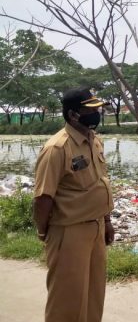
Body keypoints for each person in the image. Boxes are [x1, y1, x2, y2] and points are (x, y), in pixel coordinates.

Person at [33, 87, 115, 322]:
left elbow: (101, 182)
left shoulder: (94, 141)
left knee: (93, 296)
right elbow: (43, 197)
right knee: (67, 301)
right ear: (72, 115)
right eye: (90, 110)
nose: (96, 113)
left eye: (97, 109)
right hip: (69, 230)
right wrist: (44, 232)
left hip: (96, 227)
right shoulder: (57, 148)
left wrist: (107, 221)